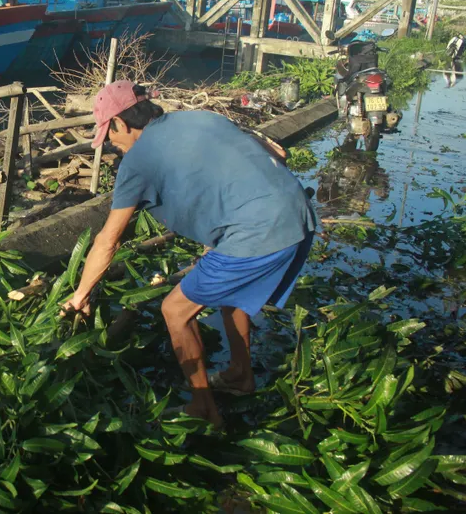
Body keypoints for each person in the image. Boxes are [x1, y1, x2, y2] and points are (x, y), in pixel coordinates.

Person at [61, 81, 317, 427]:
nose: (112, 145)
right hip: (298, 213)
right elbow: (276, 153)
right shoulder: (200, 118)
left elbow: (109, 240)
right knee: (231, 296)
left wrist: (81, 295)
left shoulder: (137, 162)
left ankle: (203, 409)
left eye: (109, 135)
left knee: (175, 310)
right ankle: (240, 375)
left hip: (259, 232)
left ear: (121, 123)